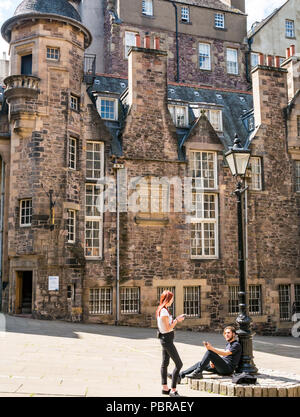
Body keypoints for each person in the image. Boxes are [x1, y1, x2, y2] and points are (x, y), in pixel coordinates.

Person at [172, 326, 241, 382]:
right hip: (222, 367)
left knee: (209, 352)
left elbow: (226, 353)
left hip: (227, 369)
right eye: (225, 333)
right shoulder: (228, 344)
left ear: (234, 334)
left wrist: (211, 349)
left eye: (228, 333)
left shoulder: (236, 344)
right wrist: (213, 361)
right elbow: (225, 357)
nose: (226, 335)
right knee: (201, 363)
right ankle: (180, 375)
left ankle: (198, 373)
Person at [156, 290, 185, 397]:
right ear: (167, 299)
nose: (172, 301)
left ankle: (165, 388)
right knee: (179, 364)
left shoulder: (162, 309)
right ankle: (173, 390)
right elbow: (168, 327)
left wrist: (176, 319)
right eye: (171, 299)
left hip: (165, 338)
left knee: (165, 363)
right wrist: (177, 320)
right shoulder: (163, 311)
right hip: (167, 340)